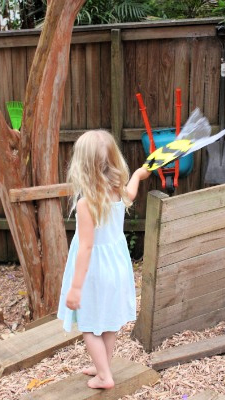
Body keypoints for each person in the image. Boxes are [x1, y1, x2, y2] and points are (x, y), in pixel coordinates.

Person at [57, 129, 151, 389]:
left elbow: (86, 247)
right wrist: (140, 174)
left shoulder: (87, 204)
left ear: (81, 166)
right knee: (108, 322)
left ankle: (104, 377)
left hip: (94, 271)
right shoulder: (117, 191)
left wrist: (75, 289)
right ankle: (103, 368)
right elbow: (131, 192)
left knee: (87, 323)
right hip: (117, 266)